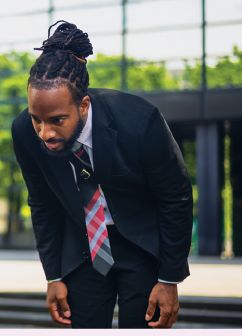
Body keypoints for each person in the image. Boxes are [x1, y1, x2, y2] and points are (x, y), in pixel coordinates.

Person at [11, 21, 193, 329]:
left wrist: (169, 278)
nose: (45, 132)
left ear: (83, 106)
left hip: (141, 245)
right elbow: (42, 203)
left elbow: (175, 197)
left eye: (56, 120)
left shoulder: (141, 122)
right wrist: (53, 275)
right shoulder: (24, 133)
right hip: (82, 250)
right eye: (36, 120)